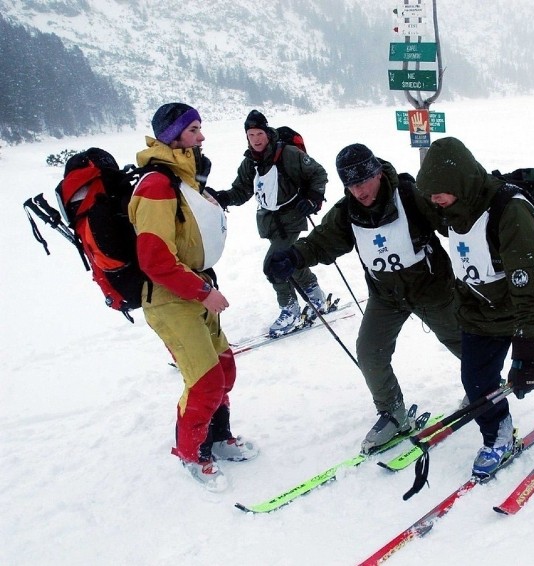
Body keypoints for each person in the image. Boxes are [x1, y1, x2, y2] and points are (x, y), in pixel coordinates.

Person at [263, 144, 462, 452]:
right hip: (386, 296)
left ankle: (483, 386)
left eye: (362, 182)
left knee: (463, 341)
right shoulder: (348, 211)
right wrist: (292, 257)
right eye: (351, 185)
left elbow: (452, 220)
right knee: (369, 352)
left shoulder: (409, 195)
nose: (358, 191)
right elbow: (321, 242)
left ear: (378, 174)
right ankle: (393, 412)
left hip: (432, 289)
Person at [415, 137, 534, 478]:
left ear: (460, 183)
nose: (435, 201)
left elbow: (533, 285)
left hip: (529, 307)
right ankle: (498, 436)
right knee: (477, 381)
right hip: (480, 312)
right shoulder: (451, 208)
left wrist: (527, 348)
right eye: (431, 195)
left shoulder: (510, 211)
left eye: (440, 193)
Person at [129, 103, 258, 492]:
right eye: (193, 130)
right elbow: (154, 257)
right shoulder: (155, 185)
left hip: (194, 291)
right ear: (172, 136)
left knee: (224, 369)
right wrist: (203, 292)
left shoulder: (183, 180)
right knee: (203, 381)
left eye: (199, 129)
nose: (201, 137)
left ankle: (219, 438)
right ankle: (192, 452)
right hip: (171, 300)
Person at [207, 109, 329, 335]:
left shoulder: (289, 154)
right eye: (251, 135)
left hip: (292, 218)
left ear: (267, 133)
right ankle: (316, 296)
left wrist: (313, 198)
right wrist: (223, 197)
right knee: (289, 262)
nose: (256, 139)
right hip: (270, 223)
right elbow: (241, 191)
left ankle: (289, 310)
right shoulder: (250, 163)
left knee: (274, 265)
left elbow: (319, 173)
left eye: (259, 134)